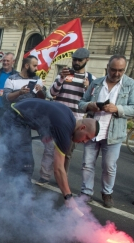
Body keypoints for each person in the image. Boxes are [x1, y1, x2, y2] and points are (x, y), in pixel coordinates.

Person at [0, 98, 99, 210]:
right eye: (86, 137)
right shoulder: (64, 130)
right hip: (14, 119)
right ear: (82, 128)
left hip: (13, 112)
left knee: (14, 161)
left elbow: (45, 113)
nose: (84, 141)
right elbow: (58, 169)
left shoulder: (69, 115)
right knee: (25, 165)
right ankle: (25, 210)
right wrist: (68, 197)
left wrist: (44, 133)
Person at [77, 55, 134, 208]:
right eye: (113, 70)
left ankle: (107, 193)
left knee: (109, 166)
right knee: (87, 164)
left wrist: (117, 109)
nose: (117, 73)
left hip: (114, 134)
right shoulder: (96, 83)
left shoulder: (130, 85)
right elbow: (81, 103)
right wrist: (89, 105)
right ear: (107, 67)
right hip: (92, 131)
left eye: (120, 70)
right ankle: (86, 191)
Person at [37, 47, 93, 186]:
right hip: (56, 119)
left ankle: (61, 177)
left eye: (80, 60)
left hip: (75, 122)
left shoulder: (91, 79)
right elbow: (52, 93)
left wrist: (88, 87)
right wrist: (61, 78)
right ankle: (44, 175)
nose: (76, 62)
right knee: (49, 148)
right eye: (74, 59)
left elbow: (90, 101)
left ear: (87, 60)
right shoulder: (63, 75)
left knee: (67, 152)